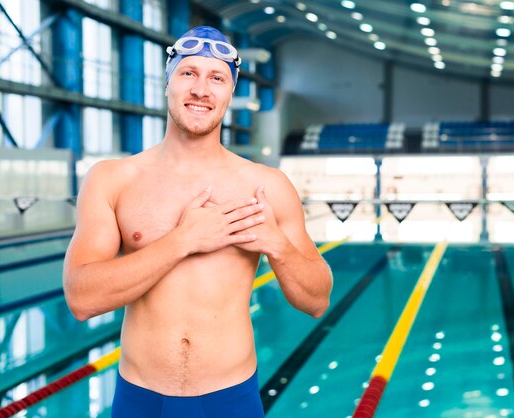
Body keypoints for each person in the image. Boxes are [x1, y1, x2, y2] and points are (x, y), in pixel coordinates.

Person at [63, 26, 333, 417]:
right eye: (188, 73)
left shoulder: (266, 186)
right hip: (141, 399)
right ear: (168, 82)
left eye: (217, 78)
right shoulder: (113, 179)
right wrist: (183, 240)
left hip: (231, 399)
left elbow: (317, 300)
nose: (201, 90)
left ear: (230, 92)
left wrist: (277, 245)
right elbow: (81, 299)